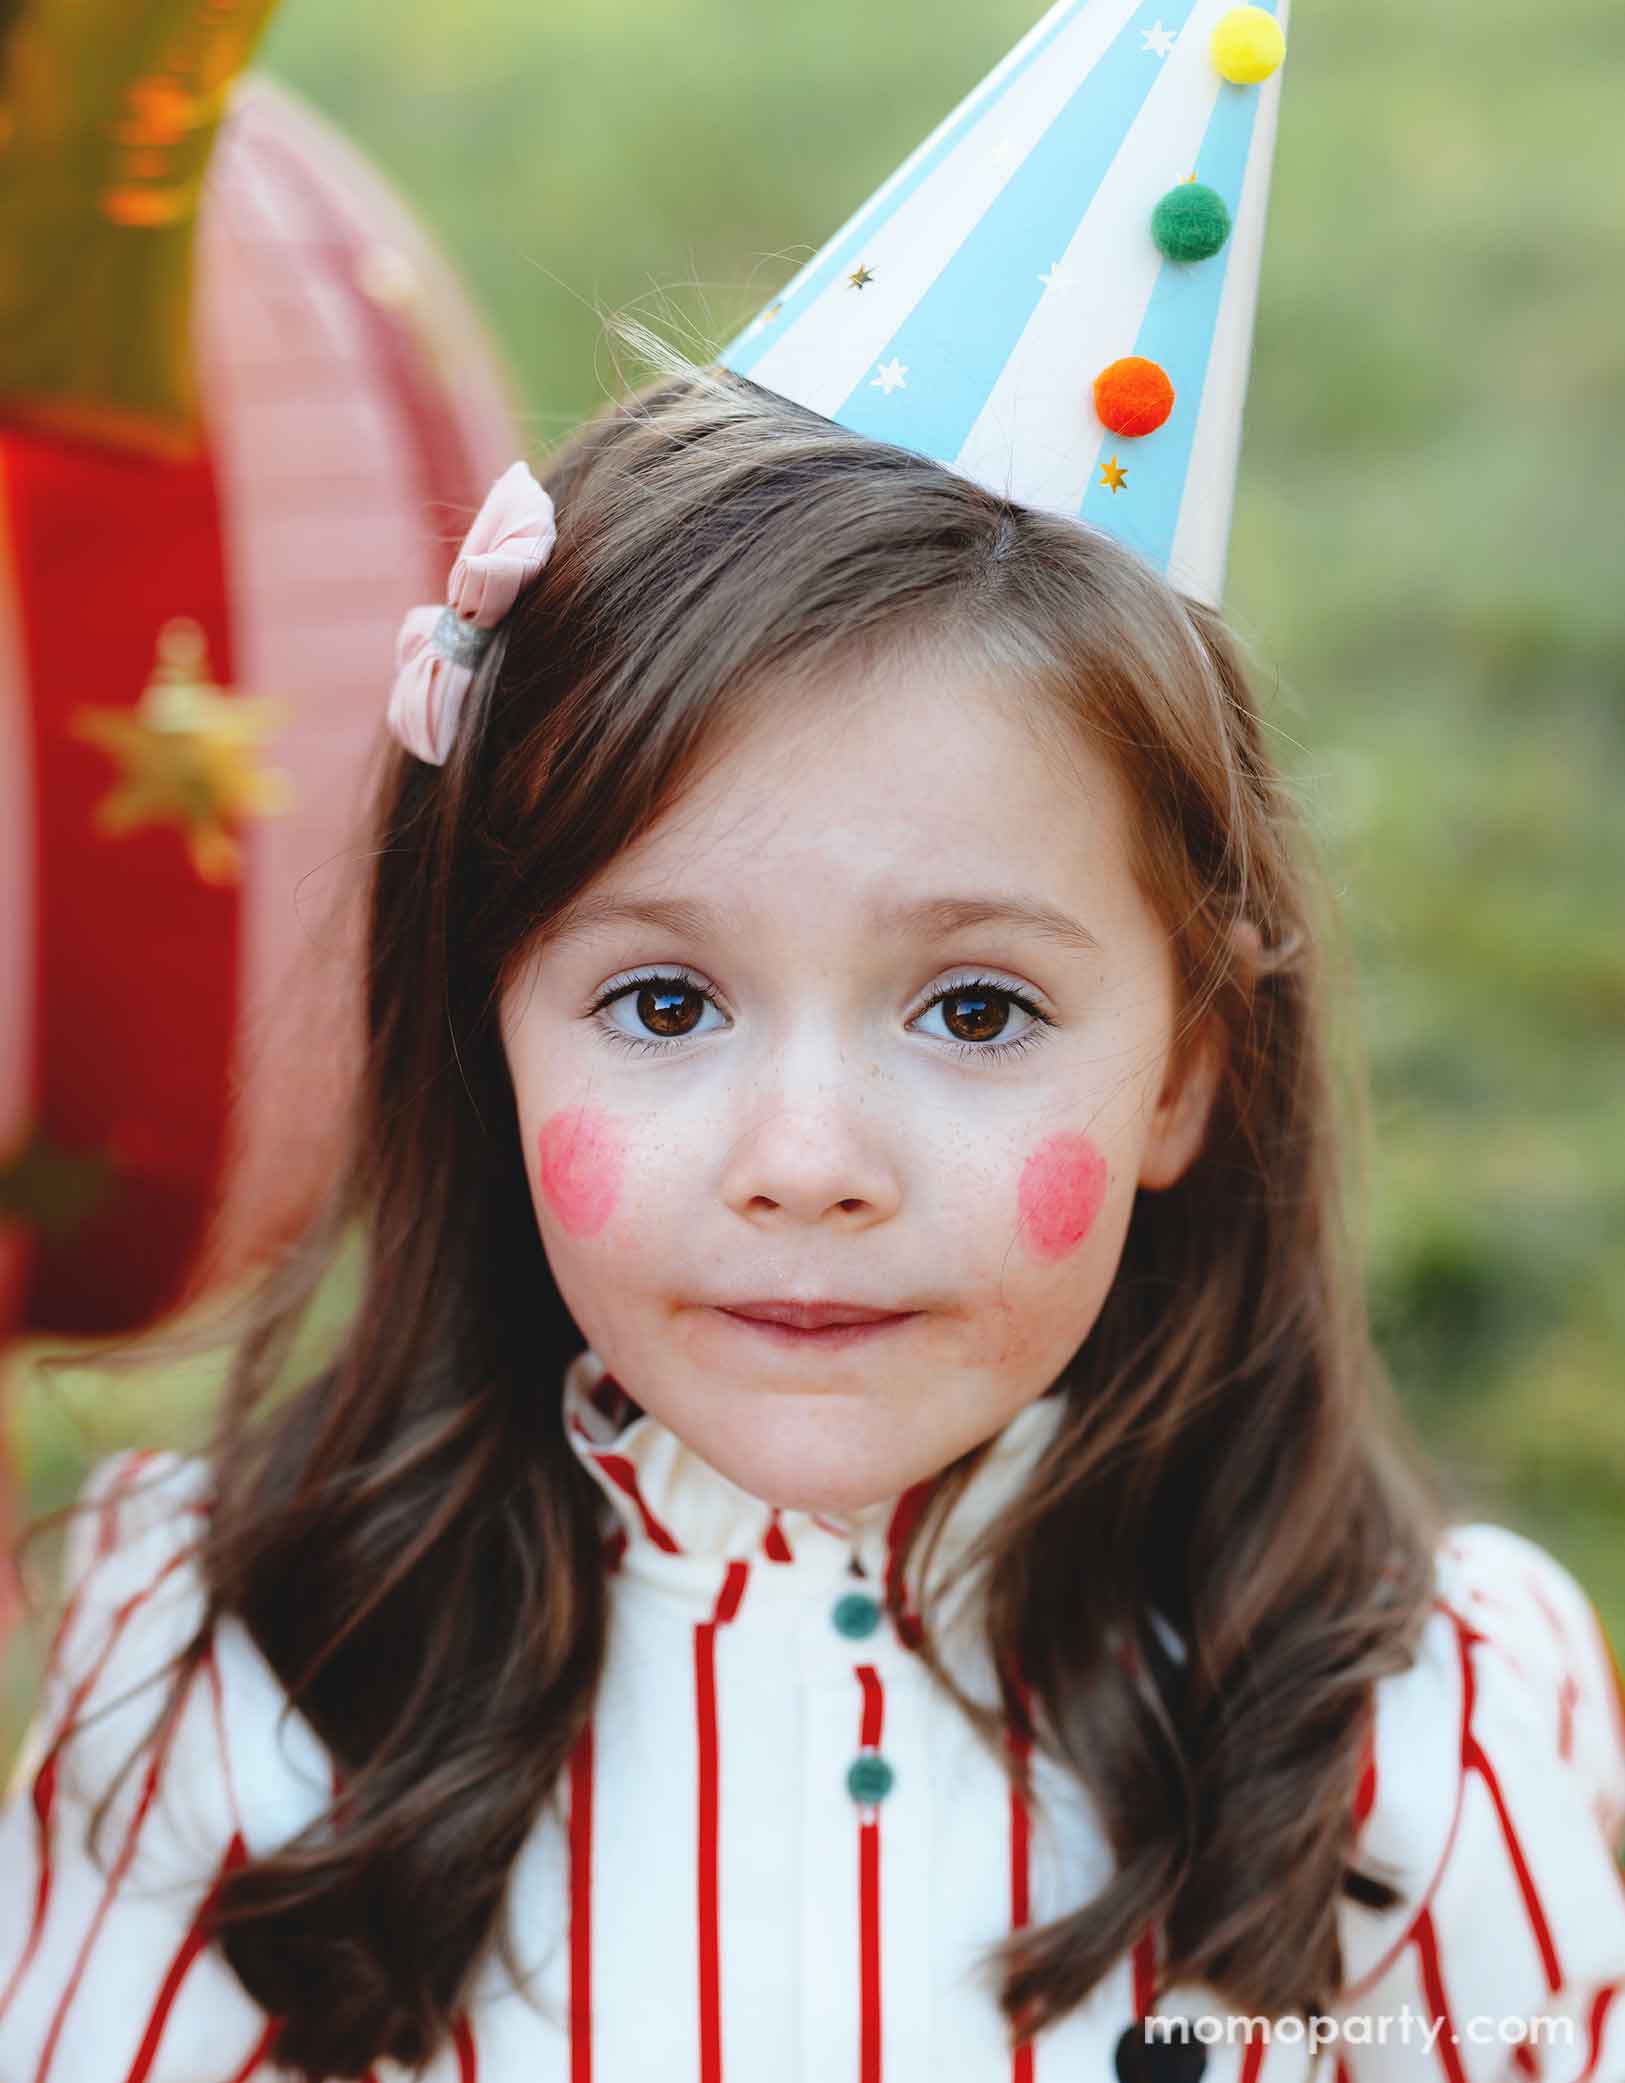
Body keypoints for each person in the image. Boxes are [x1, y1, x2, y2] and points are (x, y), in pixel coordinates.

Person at [7, 4, 1625, 2081]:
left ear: (1190, 1065)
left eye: (975, 1007)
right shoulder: (246, 1693)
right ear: (488, 1030)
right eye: (665, 1000)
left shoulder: (1424, 1745)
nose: (808, 1154)